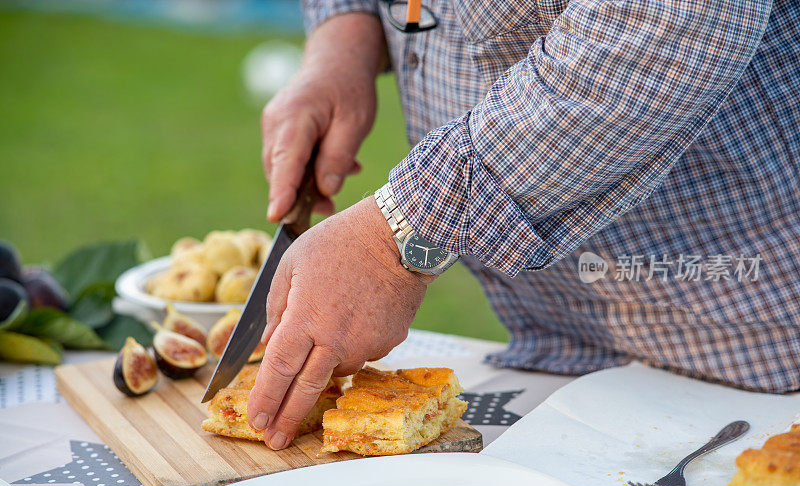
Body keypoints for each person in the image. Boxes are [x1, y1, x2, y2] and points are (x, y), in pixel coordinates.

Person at [247, 0, 799, 450]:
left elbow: (658, 33)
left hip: (756, 349)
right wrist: (342, 44)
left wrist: (393, 238)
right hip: (558, 352)